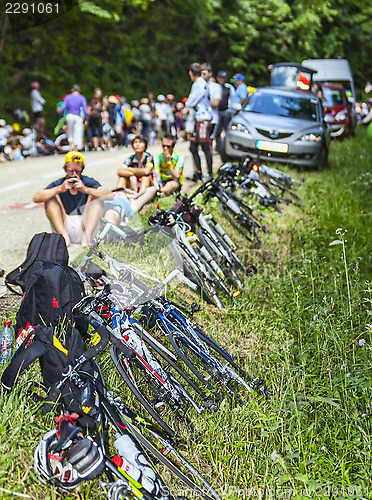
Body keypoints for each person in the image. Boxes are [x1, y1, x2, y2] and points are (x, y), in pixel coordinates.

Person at [33, 151, 111, 247]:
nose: (74, 174)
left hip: (86, 224)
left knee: (98, 197)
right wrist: (59, 189)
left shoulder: (87, 181)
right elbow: (36, 198)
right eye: (71, 171)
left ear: (82, 170)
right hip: (65, 225)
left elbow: (109, 195)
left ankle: (86, 238)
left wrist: (85, 189)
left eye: (78, 171)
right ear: (65, 169)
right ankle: (64, 238)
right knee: (50, 198)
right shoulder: (60, 183)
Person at [185, 62, 213, 181]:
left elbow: (190, 102)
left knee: (205, 146)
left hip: (203, 118)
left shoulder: (199, 84)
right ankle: (199, 172)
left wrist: (188, 104)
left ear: (191, 73)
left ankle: (209, 173)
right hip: (199, 119)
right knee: (193, 147)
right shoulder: (201, 83)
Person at [61, 84, 88, 151]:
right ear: (79, 90)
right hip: (77, 116)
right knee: (78, 131)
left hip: (69, 115)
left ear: (72, 90)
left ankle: (70, 146)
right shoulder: (81, 98)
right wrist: (86, 118)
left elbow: (63, 108)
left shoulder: (68, 97)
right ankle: (76, 147)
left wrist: (62, 117)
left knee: (70, 131)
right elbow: (84, 109)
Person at [214, 70, 235, 153]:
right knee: (217, 131)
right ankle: (218, 147)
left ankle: (226, 147)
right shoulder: (215, 87)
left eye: (224, 77)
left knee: (227, 130)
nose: (222, 79)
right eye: (220, 77)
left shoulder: (229, 88)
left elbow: (233, 100)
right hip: (217, 112)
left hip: (226, 111)